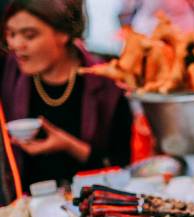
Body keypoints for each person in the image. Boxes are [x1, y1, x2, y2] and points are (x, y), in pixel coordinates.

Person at [1, 0, 132, 202]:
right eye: (11, 34)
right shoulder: (9, 74)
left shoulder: (106, 83)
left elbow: (122, 165)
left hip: (97, 205)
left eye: (29, 35)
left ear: (63, 34)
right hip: (28, 208)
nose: (16, 44)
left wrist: (69, 145)